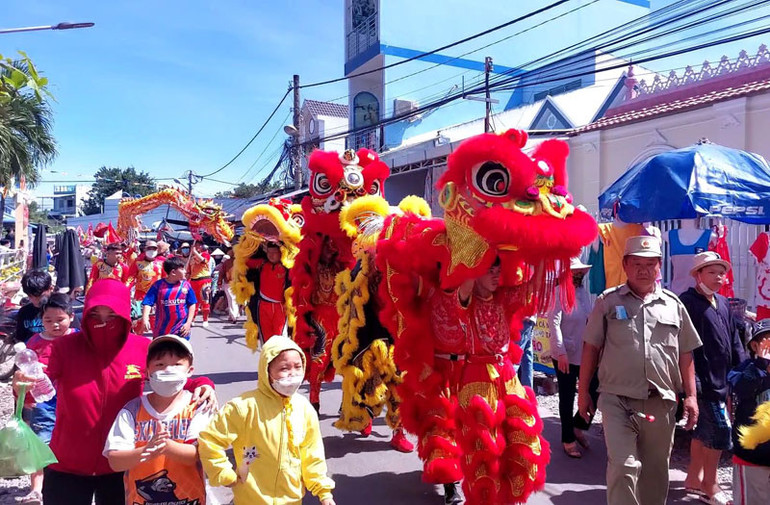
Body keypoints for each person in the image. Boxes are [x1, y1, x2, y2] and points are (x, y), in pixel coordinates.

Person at [11, 278, 216, 505]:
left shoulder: (140, 348)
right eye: (95, 316)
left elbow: (174, 377)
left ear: (125, 316)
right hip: (67, 462)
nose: (103, 322)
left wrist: (204, 384)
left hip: (122, 463)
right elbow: (36, 389)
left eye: (112, 316)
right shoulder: (64, 347)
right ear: (85, 314)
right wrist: (21, 385)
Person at [578, 236, 702, 505]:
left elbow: (686, 353)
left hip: (661, 402)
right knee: (624, 466)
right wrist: (582, 393)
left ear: (660, 267)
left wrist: (691, 396)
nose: (643, 270)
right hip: (616, 399)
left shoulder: (673, 305)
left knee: (655, 474)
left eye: (650, 264)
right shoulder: (608, 302)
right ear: (625, 265)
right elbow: (590, 349)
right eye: (637, 264)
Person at [198, 335, 335, 505]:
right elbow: (210, 439)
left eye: (298, 367)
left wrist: (324, 492)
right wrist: (224, 473)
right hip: (249, 500)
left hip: (291, 500)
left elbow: (312, 453)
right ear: (266, 371)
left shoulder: (304, 408)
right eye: (284, 368)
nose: (293, 373)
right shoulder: (244, 407)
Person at [104, 335, 212, 505]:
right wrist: (147, 451)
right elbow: (115, 461)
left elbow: (198, 455)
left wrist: (167, 447)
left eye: (177, 364)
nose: (168, 370)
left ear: (190, 370)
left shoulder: (198, 406)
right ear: (148, 371)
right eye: (160, 364)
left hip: (190, 498)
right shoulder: (132, 410)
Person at [681, 251, 746, 504]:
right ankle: (711, 485)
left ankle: (693, 479)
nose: (719, 277)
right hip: (701, 381)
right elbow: (682, 346)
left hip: (724, 379)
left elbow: (734, 340)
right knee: (720, 431)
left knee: (704, 432)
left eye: (721, 272)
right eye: (712, 272)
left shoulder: (722, 301)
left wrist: (741, 371)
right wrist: (691, 386)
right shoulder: (687, 302)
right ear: (698, 275)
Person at [18, 294, 75, 504]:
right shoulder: (34, 342)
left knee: (71, 444)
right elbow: (23, 373)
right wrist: (24, 397)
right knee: (40, 445)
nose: (54, 325)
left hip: (74, 403)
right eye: (48, 320)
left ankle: (68, 484)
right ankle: (36, 489)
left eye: (59, 319)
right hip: (44, 404)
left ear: (70, 316)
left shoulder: (78, 339)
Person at [547, 257, 599, 459]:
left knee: (594, 389)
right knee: (567, 397)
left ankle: (579, 425)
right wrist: (560, 352)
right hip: (565, 355)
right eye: (574, 273)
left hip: (585, 352)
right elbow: (554, 324)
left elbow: (589, 319)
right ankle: (567, 438)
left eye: (580, 273)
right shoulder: (557, 293)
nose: (578, 276)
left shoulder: (582, 293)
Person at [728, 319, 770, 505]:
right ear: (754, 346)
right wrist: (762, 365)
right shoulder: (744, 371)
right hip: (752, 458)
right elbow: (742, 388)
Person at [245, 242, 290, 348]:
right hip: (262, 307)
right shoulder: (262, 264)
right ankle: (267, 362)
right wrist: (257, 243)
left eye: (274, 252)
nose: (271, 255)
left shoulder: (287, 267)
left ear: (281, 253)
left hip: (280, 308)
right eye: (269, 252)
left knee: (280, 339)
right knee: (265, 339)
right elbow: (245, 261)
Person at [142, 257, 197, 339]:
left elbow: (192, 304)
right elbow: (148, 303)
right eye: (182, 269)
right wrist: (145, 319)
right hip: (162, 330)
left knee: (182, 351)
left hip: (181, 329)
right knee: (161, 351)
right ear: (173, 272)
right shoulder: (158, 286)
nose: (185, 271)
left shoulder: (186, 285)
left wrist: (188, 323)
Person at [127, 240, 164, 334]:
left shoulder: (162, 262)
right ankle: (138, 341)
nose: (152, 250)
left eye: (154, 248)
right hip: (141, 295)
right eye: (149, 248)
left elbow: (166, 278)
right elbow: (130, 278)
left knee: (155, 320)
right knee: (139, 321)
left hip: (157, 295)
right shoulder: (138, 262)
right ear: (145, 249)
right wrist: (124, 289)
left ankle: (156, 342)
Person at [17, 270, 54, 343]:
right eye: (30, 296)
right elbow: (20, 336)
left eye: (40, 296)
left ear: (51, 289)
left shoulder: (60, 309)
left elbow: (73, 333)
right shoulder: (24, 312)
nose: (35, 300)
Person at [187, 242, 212, 328]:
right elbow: (189, 272)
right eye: (195, 245)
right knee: (194, 301)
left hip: (204, 279)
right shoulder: (191, 258)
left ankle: (205, 319)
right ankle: (192, 319)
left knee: (205, 299)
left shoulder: (205, 254)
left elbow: (203, 261)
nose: (197, 247)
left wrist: (195, 252)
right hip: (193, 281)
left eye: (198, 245)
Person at [218, 250, 238, 324]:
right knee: (232, 299)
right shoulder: (227, 262)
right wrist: (219, 282)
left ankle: (232, 315)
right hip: (229, 282)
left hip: (237, 282)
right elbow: (221, 273)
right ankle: (234, 316)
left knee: (232, 299)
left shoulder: (240, 262)